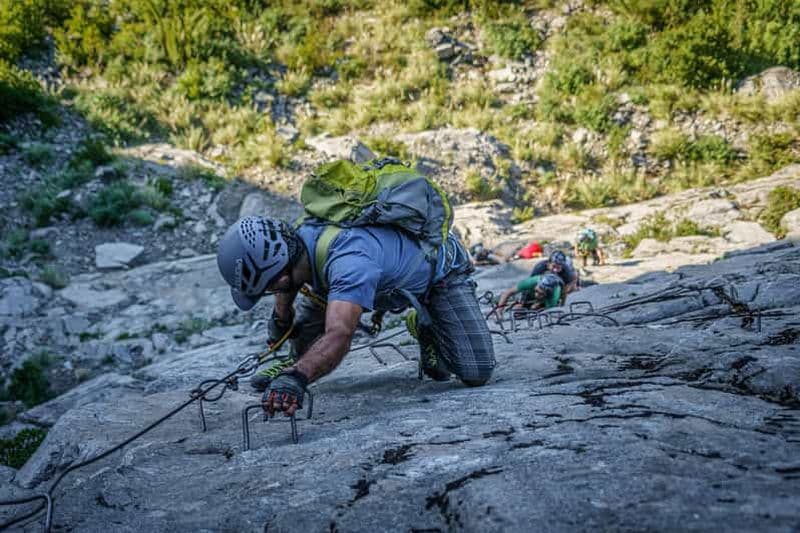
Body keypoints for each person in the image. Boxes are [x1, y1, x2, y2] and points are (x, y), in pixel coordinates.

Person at [216, 215, 496, 417]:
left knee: (476, 371)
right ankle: (297, 358)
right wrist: (280, 330)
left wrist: (297, 378)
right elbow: (285, 295)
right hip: (364, 277)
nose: (273, 291)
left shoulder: (347, 261)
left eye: (269, 287)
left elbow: (340, 334)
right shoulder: (297, 245)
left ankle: (426, 325)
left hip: (437, 273)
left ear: (280, 274)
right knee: (306, 345)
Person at [496, 272, 562, 311]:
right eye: (536, 291)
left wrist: (538, 306)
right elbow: (507, 293)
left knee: (534, 309)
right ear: (537, 284)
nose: (537, 295)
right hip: (529, 293)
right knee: (518, 310)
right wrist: (499, 311)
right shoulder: (532, 281)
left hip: (544, 301)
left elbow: (548, 312)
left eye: (540, 293)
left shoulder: (553, 296)